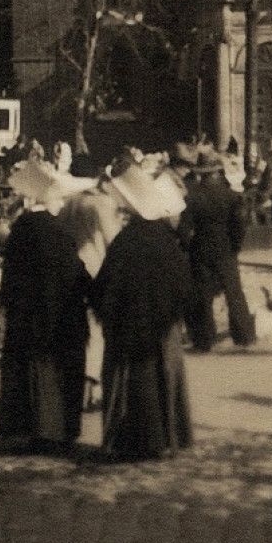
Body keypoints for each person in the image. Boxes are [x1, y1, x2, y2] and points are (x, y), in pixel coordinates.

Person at [93, 164, 195, 462]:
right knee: (162, 381)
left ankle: (126, 441)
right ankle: (165, 439)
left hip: (125, 332)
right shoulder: (165, 243)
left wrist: (111, 316)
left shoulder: (124, 242)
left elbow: (105, 287)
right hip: (161, 332)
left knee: (128, 387)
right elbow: (183, 288)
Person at [0, 161, 92, 454]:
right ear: (50, 199)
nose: (62, 203)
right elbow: (72, 274)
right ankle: (54, 432)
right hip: (57, 318)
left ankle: (26, 428)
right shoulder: (56, 233)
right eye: (60, 198)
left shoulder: (20, 229)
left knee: (28, 373)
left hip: (25, 316)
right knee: (55, 376)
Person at [181, 145, 257, 353]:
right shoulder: (230, 196)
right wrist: (235, 245)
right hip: (225, 248)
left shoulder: (192, 196)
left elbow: (185, 228)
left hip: (201, 249)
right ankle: (244, 335)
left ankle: (204, 339)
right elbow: (239, 226)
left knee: (202, 295)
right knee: (234, 292)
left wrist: (189, 246)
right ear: (217, 171)